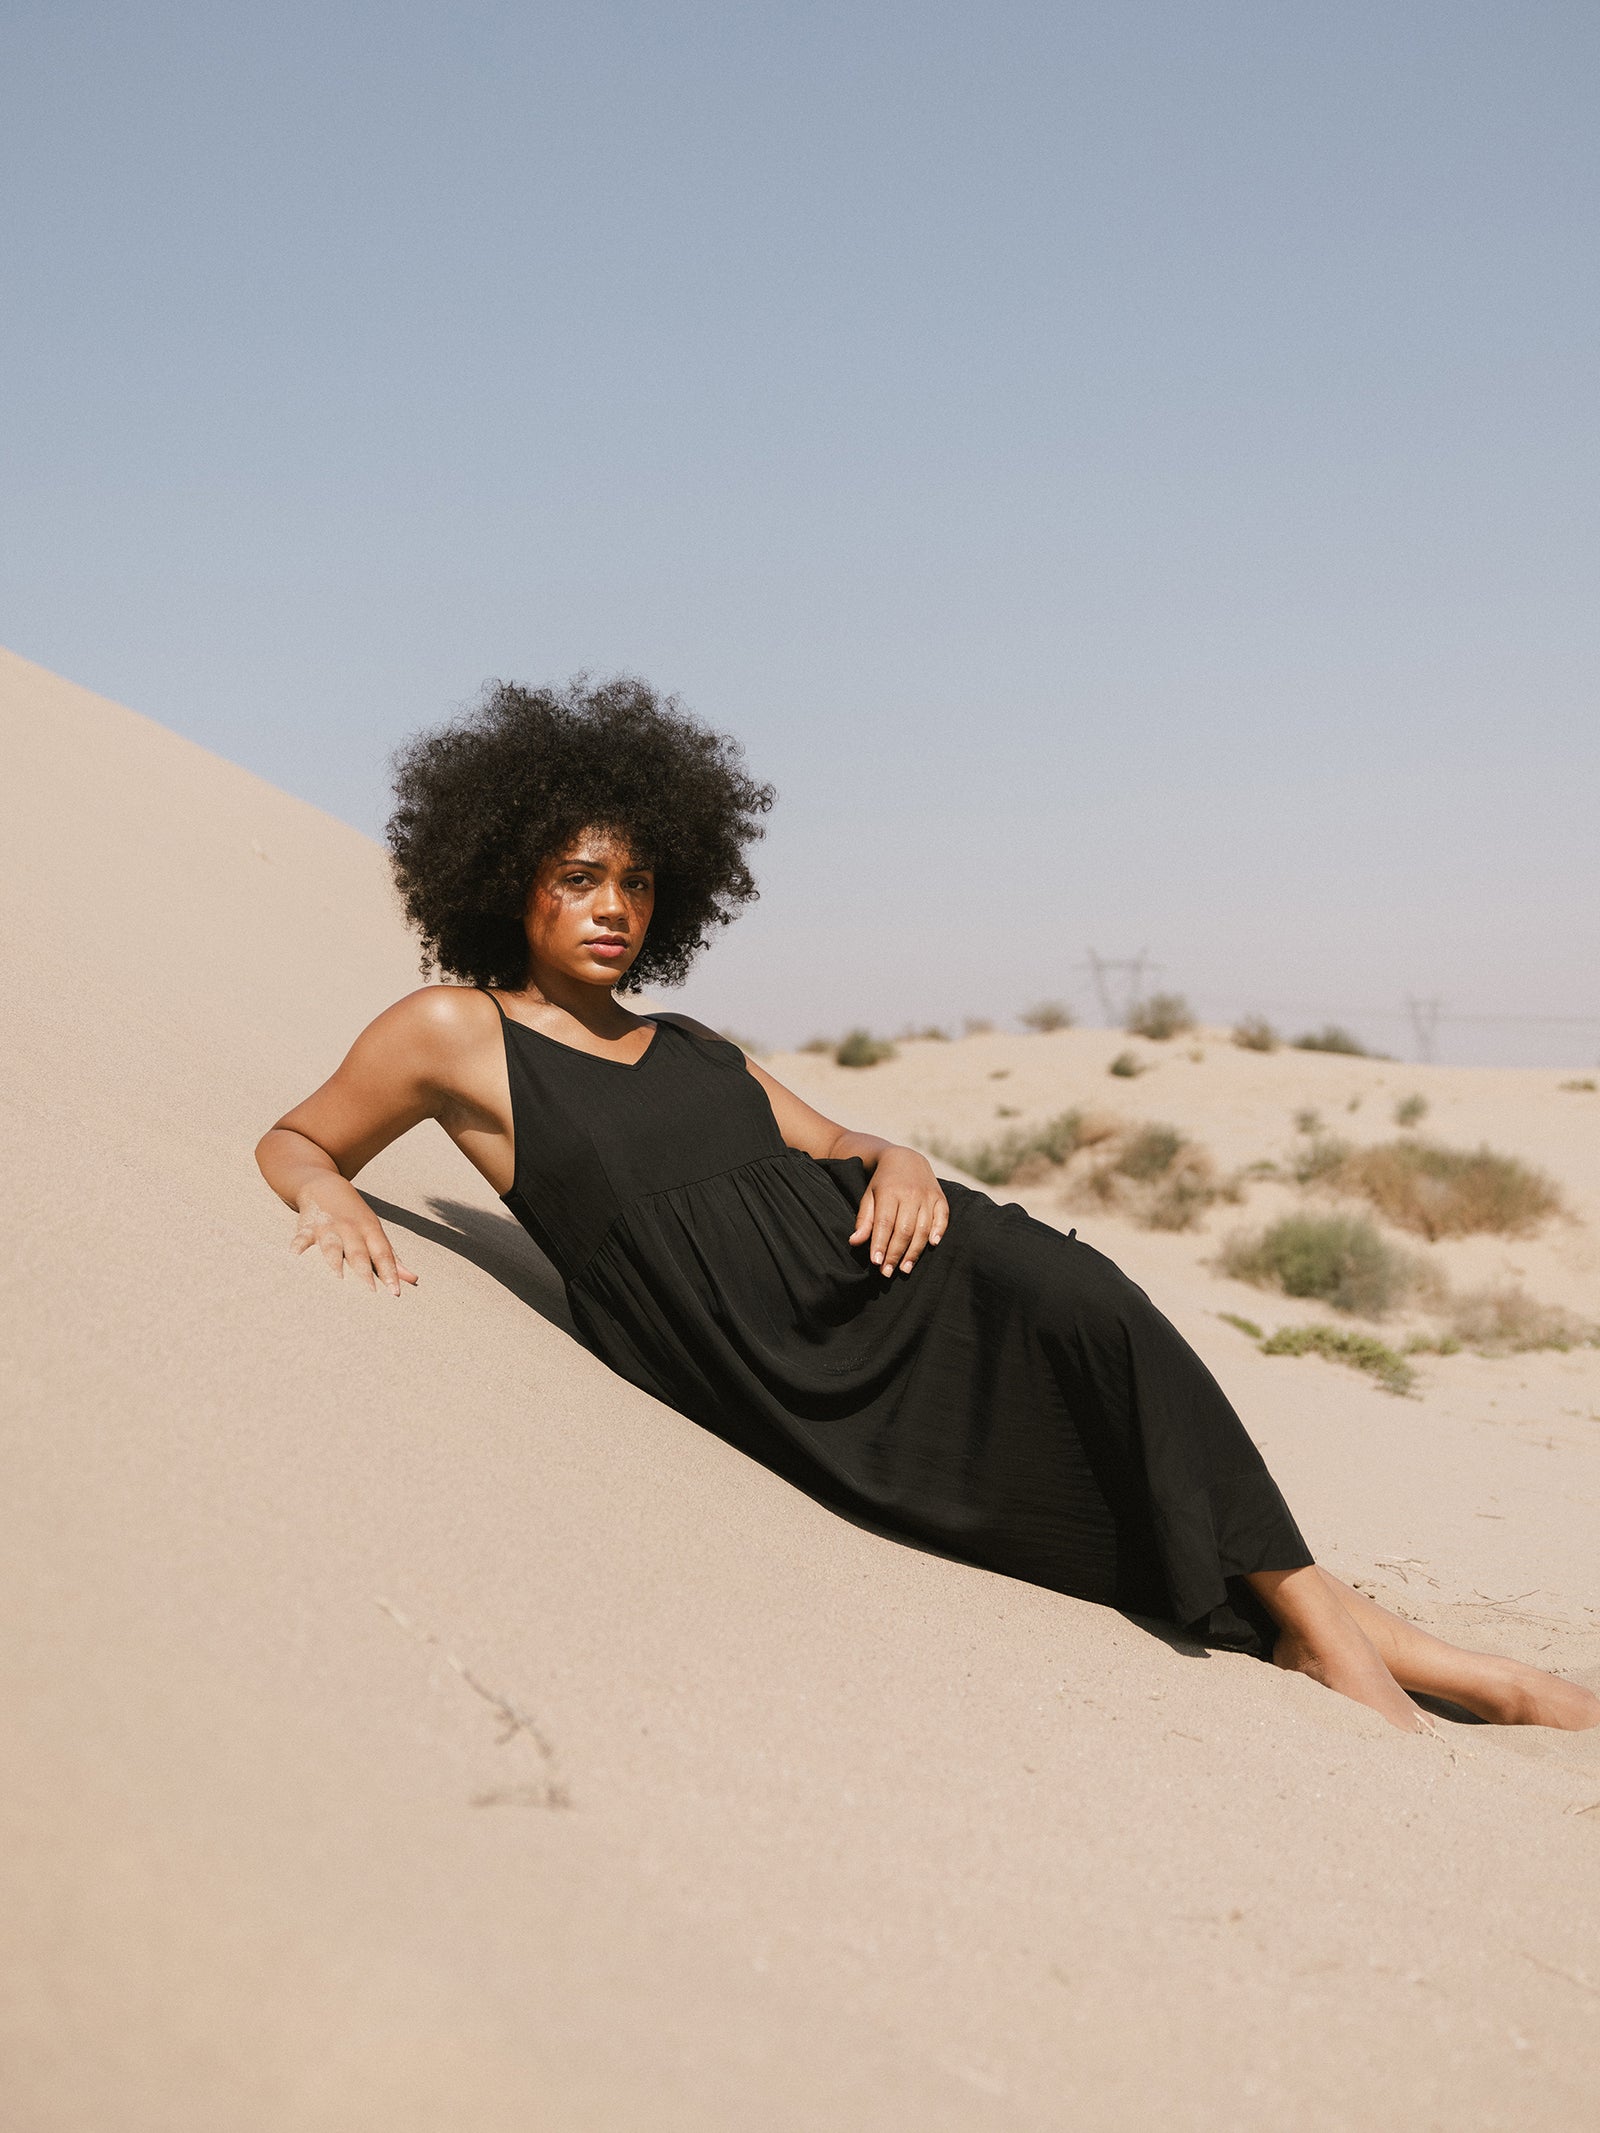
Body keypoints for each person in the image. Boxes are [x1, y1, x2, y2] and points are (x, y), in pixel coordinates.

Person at [257, 677, 1598, 1737]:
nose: (615, 907)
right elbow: (298, 1134)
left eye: (638, 881)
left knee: (1101, 1313)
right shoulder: (455, 1030)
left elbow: (837, 1137)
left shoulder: (696, 1045)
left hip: (906, 1272)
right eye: (580, 877)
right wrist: (329, 1194)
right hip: (802, 1372)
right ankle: (1426, 1662)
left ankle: (1409, 1662)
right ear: (510, 880)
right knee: (1124, 1513)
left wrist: (896, 1157)